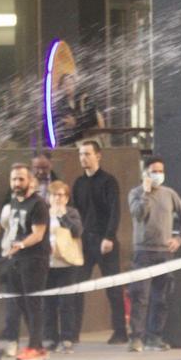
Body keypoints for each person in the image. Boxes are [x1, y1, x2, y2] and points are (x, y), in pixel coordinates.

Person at [126, 155, 181, 352]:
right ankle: (136, 337)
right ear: (145, 172)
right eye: (154, 171)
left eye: (161, 171)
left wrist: (180, 238)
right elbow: (139, 214)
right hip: (143, 252)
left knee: (161, 297)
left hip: (164, 252)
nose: (158, 175)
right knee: (140, 296)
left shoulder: (169, 193)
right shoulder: (135, 193)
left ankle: (154, 337)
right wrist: (145, 193)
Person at [72, 140, 127, 344]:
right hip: (84, 243)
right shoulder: (78, 183)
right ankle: (72, 332)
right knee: (77, 287)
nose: (83, 158)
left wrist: (109, 237)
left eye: (87, 154)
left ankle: (120, 331)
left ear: (98, 155)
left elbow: (115, 211)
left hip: (105, 242)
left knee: (113, 287)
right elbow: (75, 213)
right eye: (81, 154)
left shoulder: (108, 181)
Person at [0, 163, 49, 360]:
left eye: (21, 179)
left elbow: (38, 234)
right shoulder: (14, 202)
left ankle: (35, 347)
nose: (17, 183)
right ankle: (38, 345)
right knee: (21, 303)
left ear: (30, 181)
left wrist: (21, 245)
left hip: (34, 259)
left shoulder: (38, 204)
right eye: (14, 179)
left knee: (33, 303)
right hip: (16, 260)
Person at [43, 179, 87, 352]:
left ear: (67, 198)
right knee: (49, 303)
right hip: (48, 264)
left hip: (67, 264)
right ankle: (51, 337)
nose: (57, 199)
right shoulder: (43, 214)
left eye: (61, 195)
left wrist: (63, 217)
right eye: (54, 195)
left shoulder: (72, 213)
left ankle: (67, 337)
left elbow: (77, 231)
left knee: (66, 302)